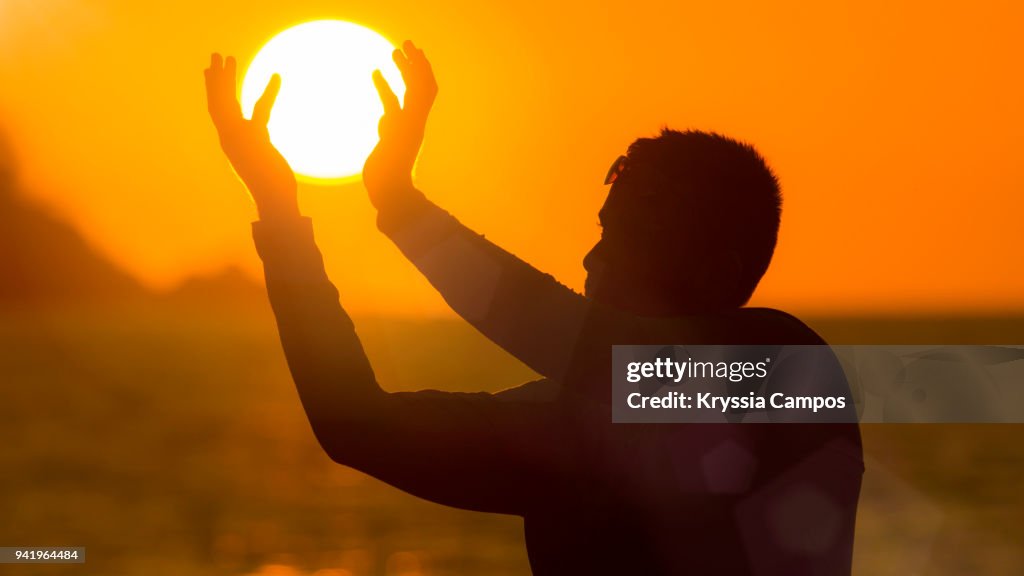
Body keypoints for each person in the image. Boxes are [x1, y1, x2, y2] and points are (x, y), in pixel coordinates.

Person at [205, 42, 863, 575]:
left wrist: (401, 206)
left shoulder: (786, 374)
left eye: (622, 241)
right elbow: (353, 424)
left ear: (714, 271)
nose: (591, 261)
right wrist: (279, 213)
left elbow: (576, 341)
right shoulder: (567, 428)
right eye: (600, 233)